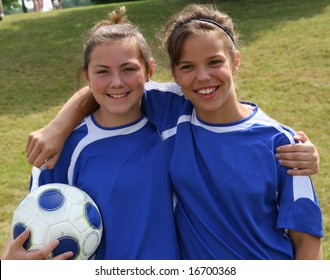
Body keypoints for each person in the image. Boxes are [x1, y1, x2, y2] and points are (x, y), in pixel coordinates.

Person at [24, 5, 321, 259]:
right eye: (188, 66)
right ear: (175, 75)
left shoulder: (283, 143)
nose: (203, 77)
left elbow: (307, 239)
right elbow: (107, 88)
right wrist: (58, 126)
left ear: (236, 61)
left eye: (215, 62)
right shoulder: (172, 113)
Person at [2, 6, 180, 260]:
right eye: (102, 71)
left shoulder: (174, 123)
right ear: (86, 75)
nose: (116, 82)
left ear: (149, 70)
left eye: (128, 69)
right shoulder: (64, 148)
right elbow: (31, 229)